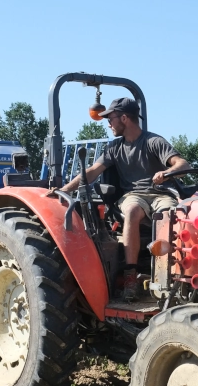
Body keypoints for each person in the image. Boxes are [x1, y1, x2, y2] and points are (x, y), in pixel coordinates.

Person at [54, 97, 190, 301]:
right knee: (133, 210)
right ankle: (130, 277)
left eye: (111, 119)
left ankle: (170, 275)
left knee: (170, 215)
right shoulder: (114, 148)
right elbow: (92, 171)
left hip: (161, 194)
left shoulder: (154, 142)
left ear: (124, 118)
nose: (109, 124)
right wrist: (64, 189)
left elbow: (183, 164)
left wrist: (167, 172)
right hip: (133, 195)